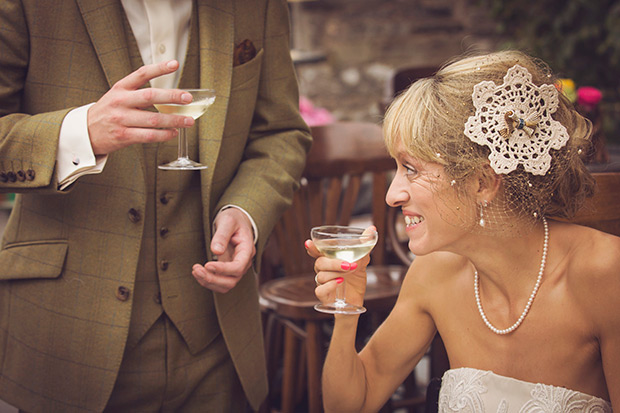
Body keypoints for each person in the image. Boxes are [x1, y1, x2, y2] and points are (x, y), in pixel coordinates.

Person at [0, 0, 311, 412]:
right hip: (67, 336)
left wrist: (246, 210)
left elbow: (281, 132)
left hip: (218, 338)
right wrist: (79, 133)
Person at [307, 50, 619, 411]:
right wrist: (346, 310)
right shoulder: (433, 274)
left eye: (411, 169)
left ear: (483, 182)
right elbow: (352, 405)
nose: (393, 195)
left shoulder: (605, 274)